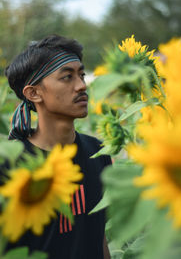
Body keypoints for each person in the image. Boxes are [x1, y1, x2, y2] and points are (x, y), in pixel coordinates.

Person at [4, 34, 111, 259]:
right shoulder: (10, 165)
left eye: (81, 75)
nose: (82, 86)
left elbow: (98, 238)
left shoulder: (98, 151)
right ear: (33, 93)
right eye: (67, 77)